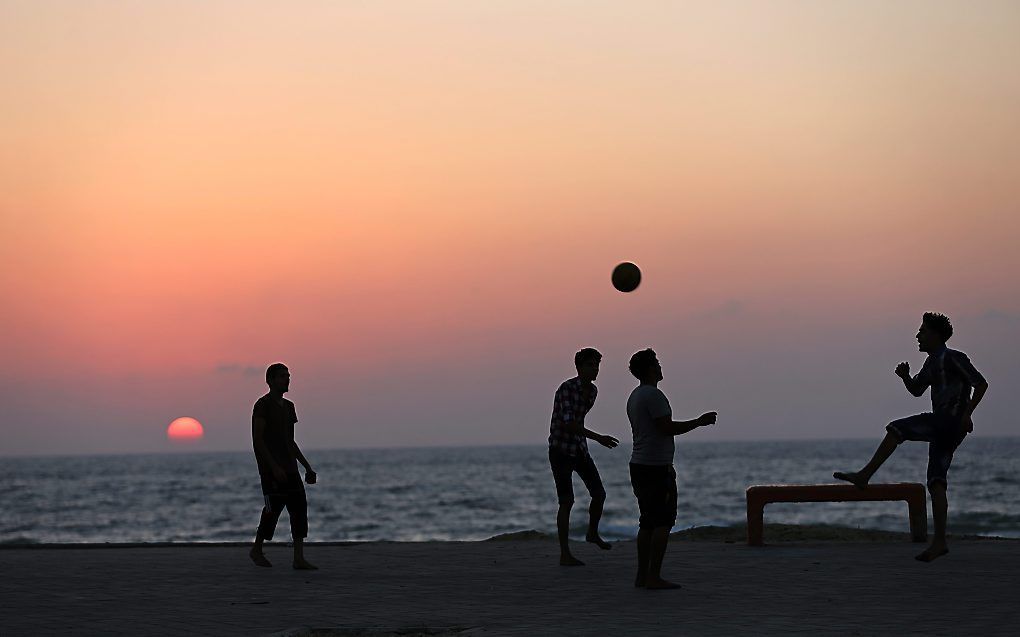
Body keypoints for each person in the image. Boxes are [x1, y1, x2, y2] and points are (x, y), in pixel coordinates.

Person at [834, 312, 988, 562]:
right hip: (943, 426)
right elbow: (917, 390)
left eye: (923, 331)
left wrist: (966, 414)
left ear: (936, 335)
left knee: (897, 429)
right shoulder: (930, 363)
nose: (918, 335)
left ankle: (865, 475)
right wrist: (906, 377)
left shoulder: (954, 358)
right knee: (936, 481)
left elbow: (980, 384)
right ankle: (939, 542)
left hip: (948, 422)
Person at [627, 348, 716, 589]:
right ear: (649, 369)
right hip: (656, 467)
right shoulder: (653, 396)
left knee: (646, 522)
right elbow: (666, 428)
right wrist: (698, 422)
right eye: (656, 363)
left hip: (639, 465)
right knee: (662, 522)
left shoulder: (635, 396)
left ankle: (642, 575)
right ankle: (653, 576)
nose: (660, 366)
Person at [548, 348, 620, 566]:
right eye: (590, 365)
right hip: (560, 449)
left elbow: (578, 422)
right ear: (579, 367)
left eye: (597, 365)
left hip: (578, 448)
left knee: (599, 494)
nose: (595, 369)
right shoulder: (567, 389)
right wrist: (598, 437)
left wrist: (589, 439)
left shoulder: (593, 392)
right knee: (566, 501)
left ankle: (592, 533)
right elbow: (570, 424)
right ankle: (565, 553)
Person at [249, 363, 318, 569]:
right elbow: (258, 440)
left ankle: (298, 558)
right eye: (282, 376)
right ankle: (256, 549)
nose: (287, 379)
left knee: (299, 510)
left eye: (288, 376)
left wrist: (307, 467)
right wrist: (273, 466)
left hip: (290, 469)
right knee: (272, 510)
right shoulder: (262, 405)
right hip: (271, 472)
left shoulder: (289, 407)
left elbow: (290, 441)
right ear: (270, 380)